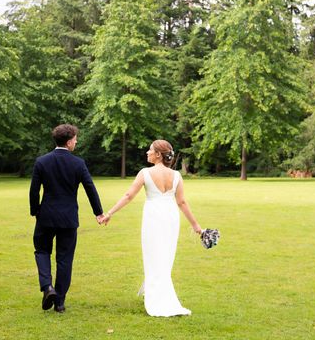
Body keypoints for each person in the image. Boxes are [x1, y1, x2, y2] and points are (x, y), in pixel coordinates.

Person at [100, 139, 202, 317]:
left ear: (157, 155)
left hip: (153, 216)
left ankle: (157, 297)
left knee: (153, 255)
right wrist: (196, 226)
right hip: (170, 217)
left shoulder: (145, 173)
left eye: (149, 150)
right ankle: (156, 291)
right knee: (166, 255)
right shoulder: (176, 175)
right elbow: (182, 202)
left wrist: (109, 213)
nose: (147, 152)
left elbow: (129, 195)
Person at [29, 124, 104, 313]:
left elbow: (34, 190)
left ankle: (47, 287)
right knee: (65, 259)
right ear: (69, 141)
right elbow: (90, 188)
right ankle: (59, 302)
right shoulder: (78, 163)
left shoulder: (42, 161)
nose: (77, 142)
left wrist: (35, 211)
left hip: (46, 216)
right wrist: (98, 212)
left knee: (42, 251)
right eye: (76, 139)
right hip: (69, 218)